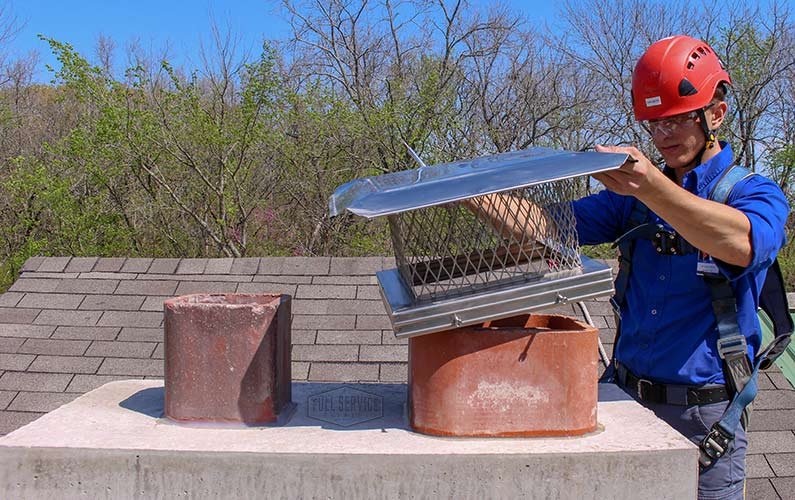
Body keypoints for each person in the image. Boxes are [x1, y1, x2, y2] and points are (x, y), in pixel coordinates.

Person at [571, 35, 789, 499]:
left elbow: (742, 242)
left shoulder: (753, 193)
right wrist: (476, 192)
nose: (662, 136)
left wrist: (650, 186)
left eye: (676, 120)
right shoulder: (631, 201)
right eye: (653, 124)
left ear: (716, 114)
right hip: (624, 403)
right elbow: (550, 226)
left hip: (705, 422)